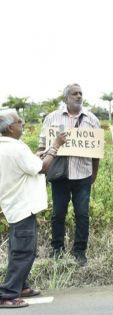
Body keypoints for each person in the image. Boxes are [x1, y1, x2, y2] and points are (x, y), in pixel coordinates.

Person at [0, 110, 66, 308]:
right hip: (22, 205)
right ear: (10, 127)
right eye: (20, 122)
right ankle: (7, 294)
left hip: (15, 204)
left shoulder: (7, 146)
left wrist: (37, 156)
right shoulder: (15, 149)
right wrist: (55, 145)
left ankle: (21, 286)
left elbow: (28, 164)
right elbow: (43, 168)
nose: (23, 124)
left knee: (18, 247)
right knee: (23, 250)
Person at [39, 83, 100, 266]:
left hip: (83, 175)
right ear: (66, 98)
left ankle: (80, 252)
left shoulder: (91, 119)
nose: (79, 96)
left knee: (82, 215)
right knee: (58, 214)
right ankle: (57, 249)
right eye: (74, 94)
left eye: (81, 93)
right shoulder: (52, 118)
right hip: (60, 175)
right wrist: (43, 169)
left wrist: (94, 174)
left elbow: (97, 151)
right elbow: (43, 145)